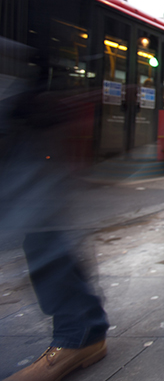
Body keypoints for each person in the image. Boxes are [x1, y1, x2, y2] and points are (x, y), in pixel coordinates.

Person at [1, 37, 108, 381]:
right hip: (28, 90)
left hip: (27, 93)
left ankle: (80, 333)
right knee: (34, 217)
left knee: (34, 216)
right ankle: (82, 329)